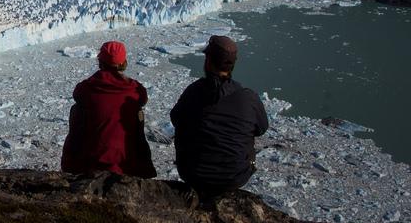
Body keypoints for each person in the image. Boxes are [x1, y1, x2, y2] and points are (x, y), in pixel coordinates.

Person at [170, 34, 268, 198]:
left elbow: (176, 119)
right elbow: (261, 128)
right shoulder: (248, 97)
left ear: (208, 61)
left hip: (193, 175)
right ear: (232, 64)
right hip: (236, 178)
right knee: (249, 130)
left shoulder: (193, 92)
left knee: (184, 123)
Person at [61, 40, 156, 178]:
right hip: (126, 161)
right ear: (123, 61)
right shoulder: (134, 89)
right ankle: (135, 153)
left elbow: (77, 95)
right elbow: (143, 99)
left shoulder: (87, 87)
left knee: (77, 109)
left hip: (90, 159)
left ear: (101, 61)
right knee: (137, 112)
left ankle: (76, 154)